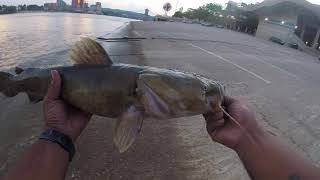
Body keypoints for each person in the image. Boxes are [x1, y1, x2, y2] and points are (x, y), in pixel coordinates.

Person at [2, 70, 320, 180]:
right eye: (202, 89)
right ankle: (13, 83)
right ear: (146, 85)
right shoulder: (140, 91)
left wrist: (56, 133)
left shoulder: (144, 91)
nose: (209, 96)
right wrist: (252, 136)